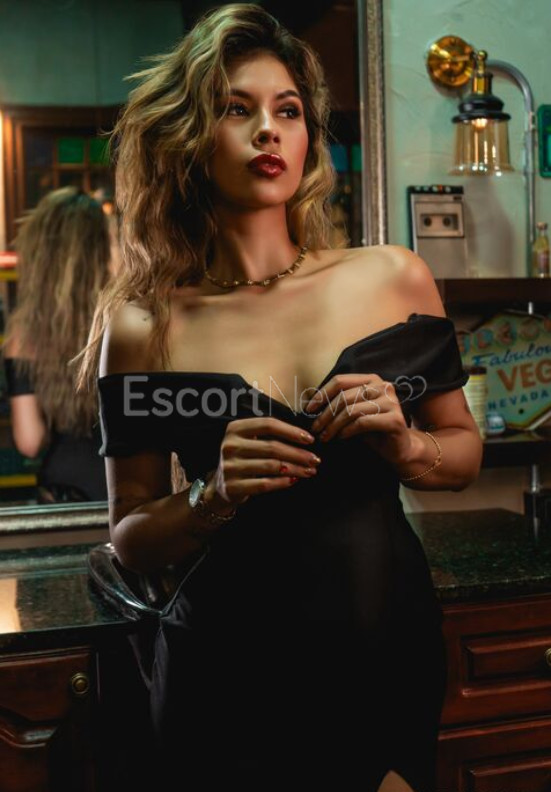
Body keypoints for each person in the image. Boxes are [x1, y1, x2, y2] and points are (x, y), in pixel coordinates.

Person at [75, 4, 482, 789]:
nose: (268, 130)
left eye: (287, 111)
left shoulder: (390, 277)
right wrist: (213, 495)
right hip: (221, 676)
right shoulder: (144, 326)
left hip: (381, 655)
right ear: (189, 138)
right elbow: (129, 536)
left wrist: (405, 446)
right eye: (237, 109)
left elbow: (461, 454)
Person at [2, 186, 113, 503]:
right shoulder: (127, 319)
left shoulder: (25, 334)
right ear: (100, 251)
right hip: (131, 486)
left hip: (66, 490)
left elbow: (30, 442)